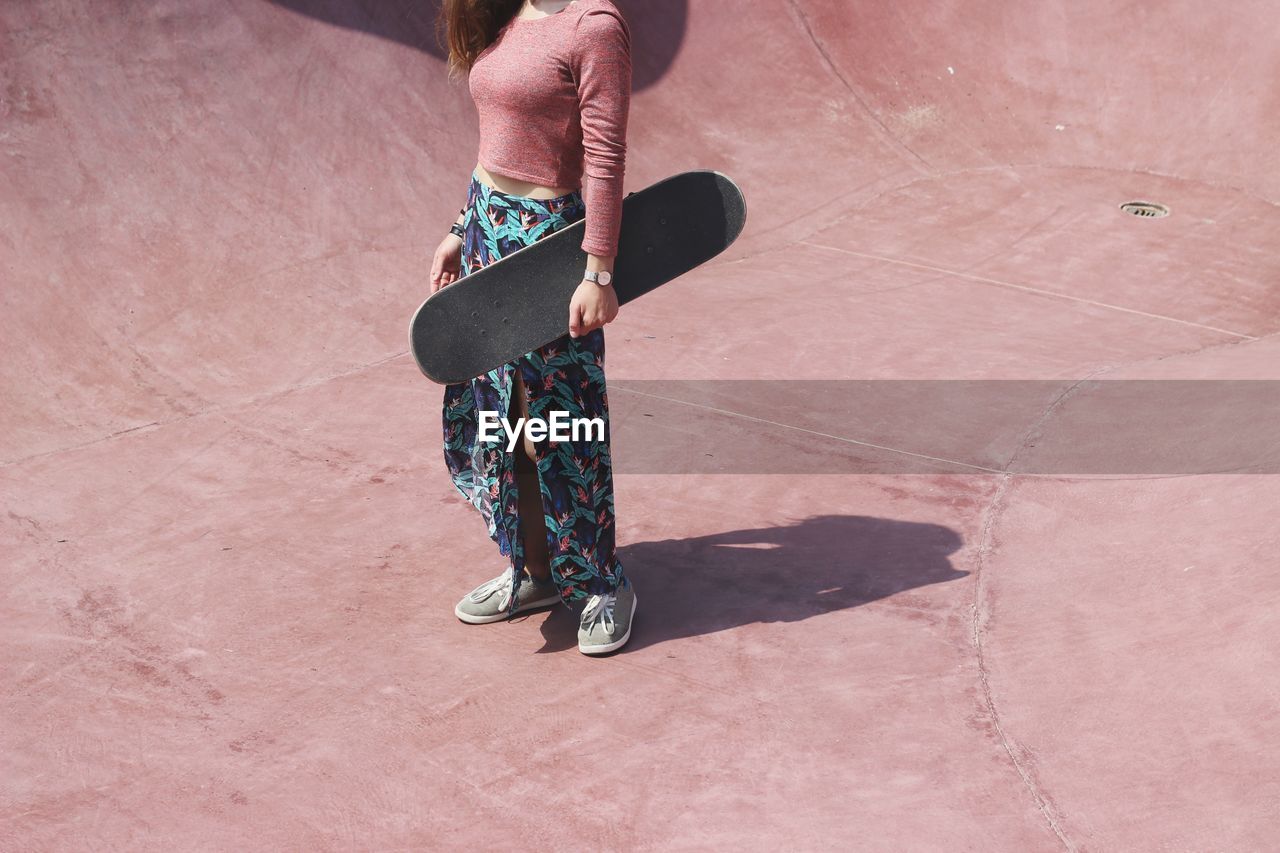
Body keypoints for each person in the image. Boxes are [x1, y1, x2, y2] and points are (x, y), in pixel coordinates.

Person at [429, 0, 635, 654]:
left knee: (563, 420)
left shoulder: (594, 27)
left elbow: (605, 156)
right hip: (490, 234)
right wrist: (462, 228)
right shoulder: (511, 10)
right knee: (503, 417)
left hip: (548, 248)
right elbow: (496, 139)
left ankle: (604, 583)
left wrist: (597, 271)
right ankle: (534, 569)